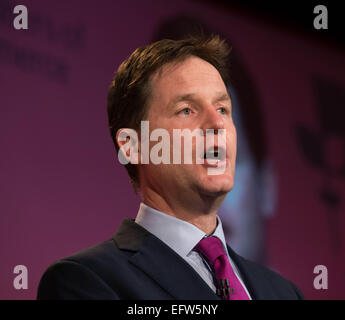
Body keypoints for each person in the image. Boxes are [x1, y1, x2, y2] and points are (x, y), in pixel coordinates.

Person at [37, 35, 304, 300]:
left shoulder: (285, 293)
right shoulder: (86, 281)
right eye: (187, 110)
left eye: (223, 109)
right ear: (132, 146)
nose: (217, 124)